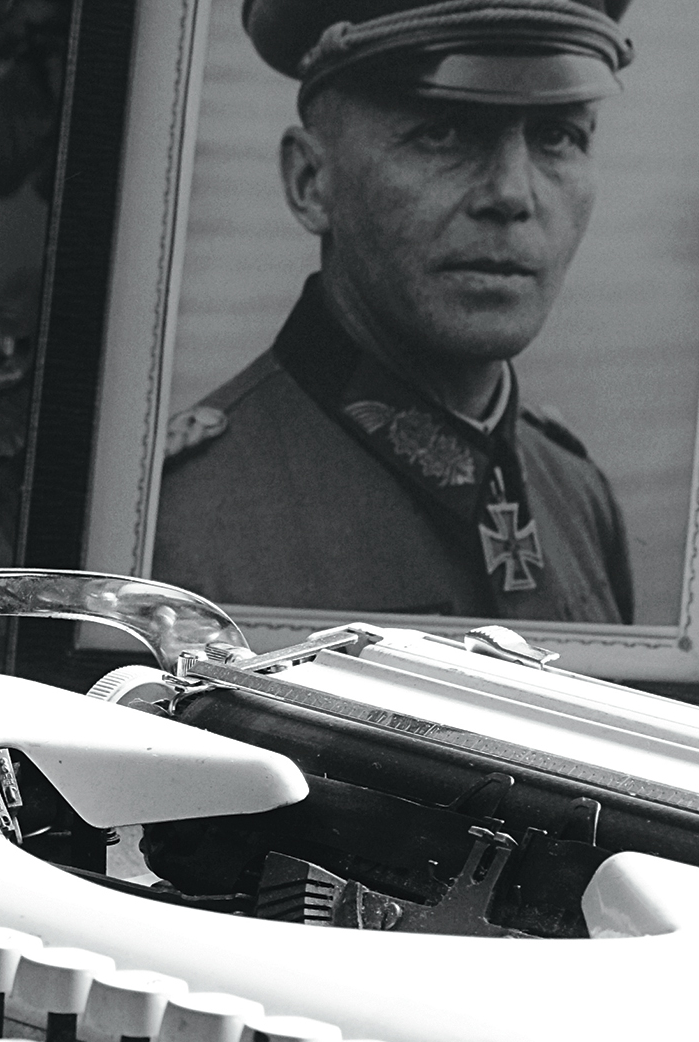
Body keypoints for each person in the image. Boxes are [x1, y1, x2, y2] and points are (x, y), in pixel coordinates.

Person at [153, 0, 637, 624]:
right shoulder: (180, 528)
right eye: (442, 133)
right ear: (310, 183)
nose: (513, 194)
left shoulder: (577, 494)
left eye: (557, 137)